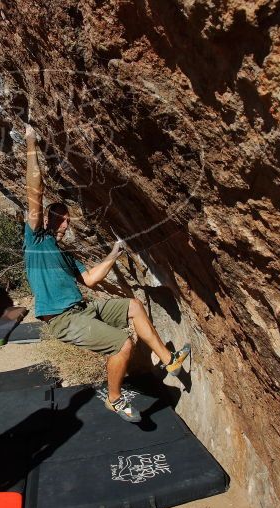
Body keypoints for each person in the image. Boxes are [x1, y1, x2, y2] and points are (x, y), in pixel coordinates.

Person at [22, 125, 191, 423]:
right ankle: (114, 400)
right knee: (122, 344)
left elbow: (90, 279)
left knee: (133, 307)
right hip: (63, 320)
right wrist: (32, 142)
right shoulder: (36, 241)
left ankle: (169, 361)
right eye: (59, 220)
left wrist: (114, 253)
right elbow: (35, 190)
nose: (64, 225)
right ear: (47, 220)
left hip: (83, 310)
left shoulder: (65, 255)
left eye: (67, 221)